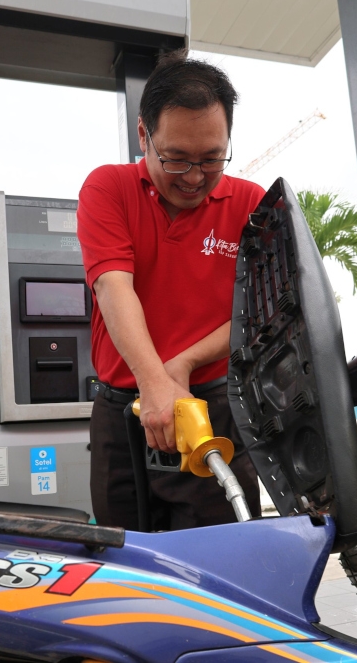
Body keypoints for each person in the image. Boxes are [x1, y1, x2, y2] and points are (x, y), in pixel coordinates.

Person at [77, 50, 264, 530]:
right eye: (176, 159)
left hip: (213, 410)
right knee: (127, 563)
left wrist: (181, 364)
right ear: (144, 135)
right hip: (123, 414)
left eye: (211, 159)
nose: (196, 178)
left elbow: (259, 312)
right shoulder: (108, 188)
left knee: (222, 560)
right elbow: (113, 287)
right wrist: (154, 380)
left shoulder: (251, 203)